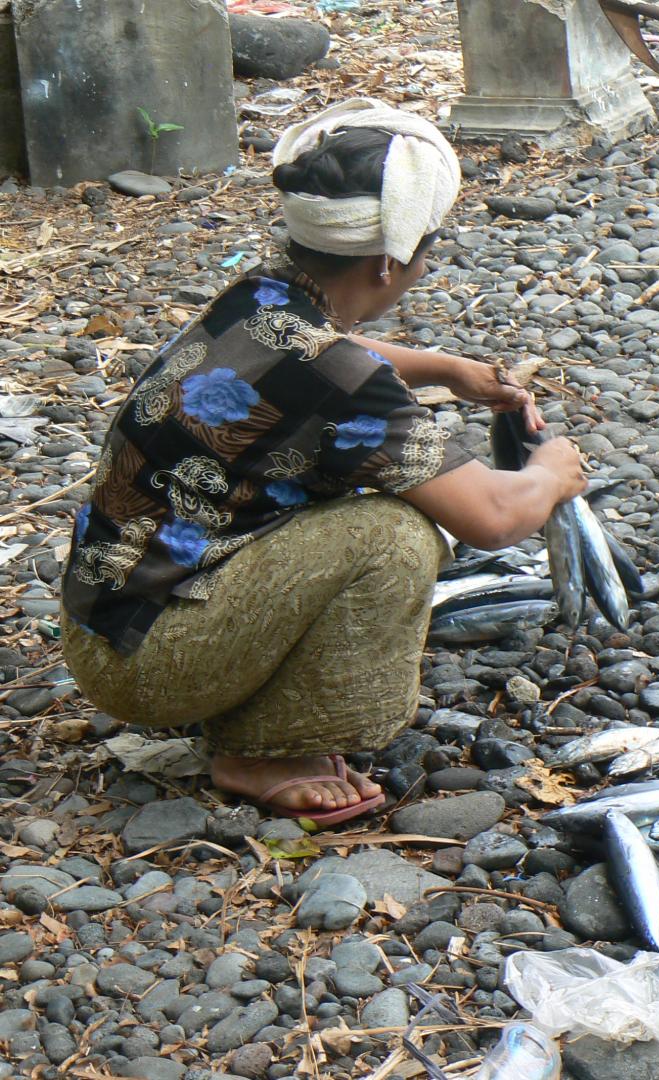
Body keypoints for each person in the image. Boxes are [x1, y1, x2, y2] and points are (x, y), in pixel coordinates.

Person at [59, 100, 587, 826]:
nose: (423, 267)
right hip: (149, 666)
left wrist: (441, 368)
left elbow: (324, 351)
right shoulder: (345, 384)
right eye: (425, 252)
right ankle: (264, 749)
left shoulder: (258, 295)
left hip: (102, 618)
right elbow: (493, 518)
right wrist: (553, 471)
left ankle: (240, 692)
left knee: (385, 503)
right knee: (394, 533)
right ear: (386, 263)